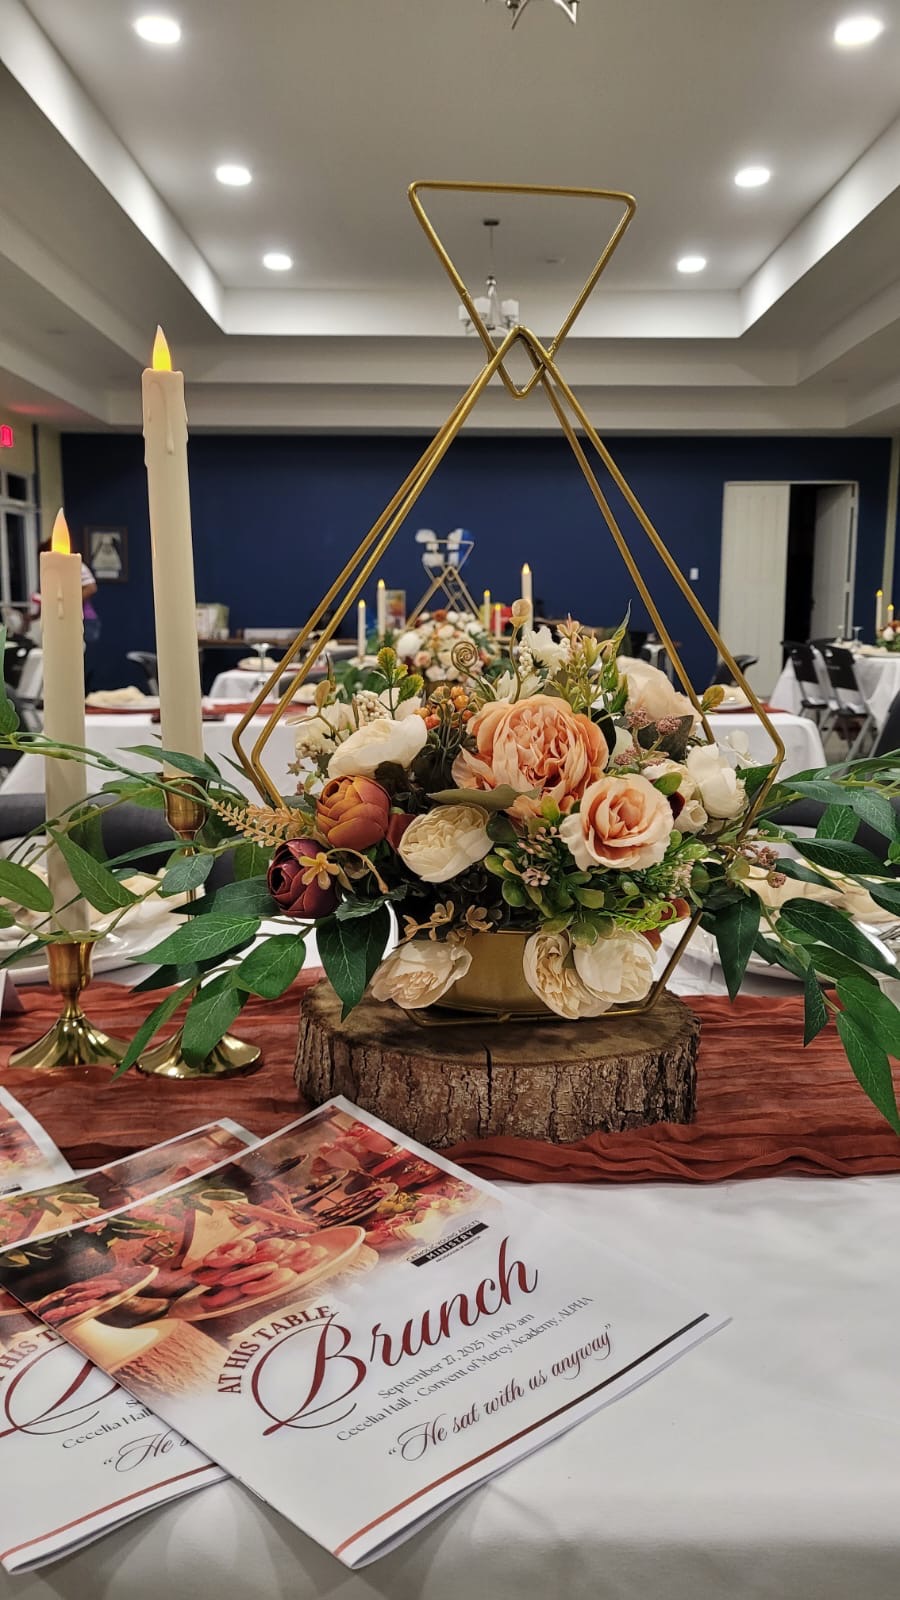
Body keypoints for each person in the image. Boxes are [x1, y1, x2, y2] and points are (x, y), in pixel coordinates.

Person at [31, 541, 100, 642]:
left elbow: (91, 588)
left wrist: (67, 603)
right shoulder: (49, 572)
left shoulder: (74, 565)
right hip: (61, 620)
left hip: (82, 619)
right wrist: (36, 615)